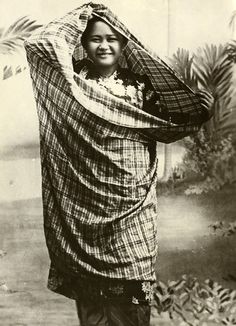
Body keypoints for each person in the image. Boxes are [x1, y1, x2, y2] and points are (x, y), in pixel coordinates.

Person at [25, 3, 213, 325]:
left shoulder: (139, 86)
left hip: (132, 204)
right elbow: (39, 43)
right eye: (95, 38)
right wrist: (86, 11)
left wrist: (202, 113)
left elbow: (167, 126)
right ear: (82, 43)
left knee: (132, 292)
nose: (104, 45)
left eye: (112, 38)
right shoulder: (72, 82)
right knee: (92, 300)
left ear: (124, 44)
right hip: (86, 203)